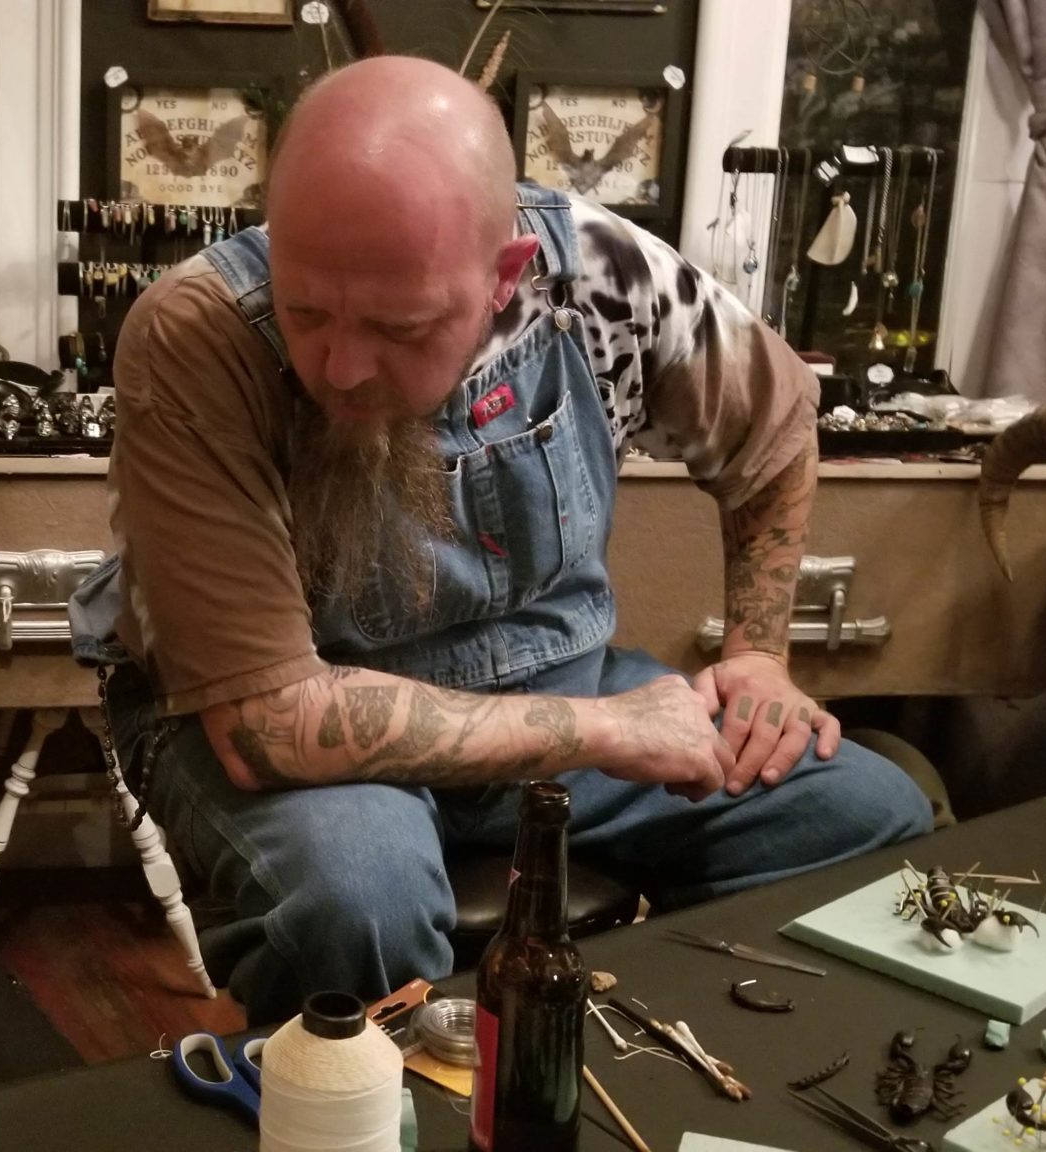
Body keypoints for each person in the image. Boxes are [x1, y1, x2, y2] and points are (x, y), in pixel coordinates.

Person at [70, 56, 935, 1024]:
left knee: (865, 818)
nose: (342, 366)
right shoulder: (198, 335)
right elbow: (267, 727)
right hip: (292, 720)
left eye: (400, 326)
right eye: (306, 312)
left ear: (504, 276)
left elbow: (773, 430)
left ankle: (637, 1054)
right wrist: (613, 731)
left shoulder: (601, 273)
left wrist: (759, 654)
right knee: (356, 904)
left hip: (550, 682)